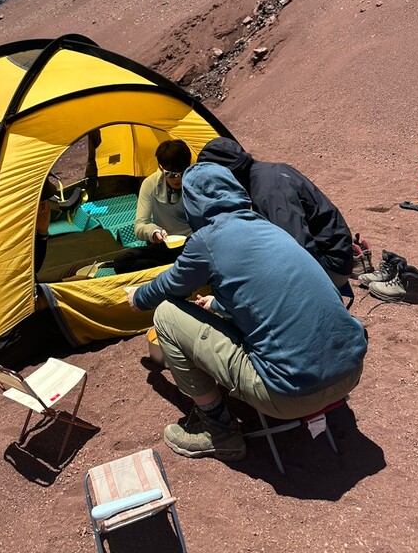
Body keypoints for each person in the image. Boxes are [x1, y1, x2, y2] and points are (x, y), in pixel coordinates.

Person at [126, 162, 367, 462]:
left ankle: (220, 431)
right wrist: (215, 305)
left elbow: (169, 286)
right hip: (349, 371)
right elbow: (263, 293)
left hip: (291, 394)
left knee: (165, 314)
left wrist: (139, 297)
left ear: (192, 204)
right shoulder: (267, 227)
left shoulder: (206, 240)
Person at [197, 137, 353, 288]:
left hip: (330, 266)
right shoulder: (267, 171)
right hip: (332, 254)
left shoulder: (267, 191)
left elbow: (296, 248)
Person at [113, 139, 193, 274]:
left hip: (192, 244)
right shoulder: (150, 184)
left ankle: (169, 270)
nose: (177, 179)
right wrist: (154, 232)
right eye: (171, 174)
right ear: (161, 168)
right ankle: (174, 269)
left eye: (182, 173)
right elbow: (139, 226)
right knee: (122, 261)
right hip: (164, 245)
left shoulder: (197, 180)